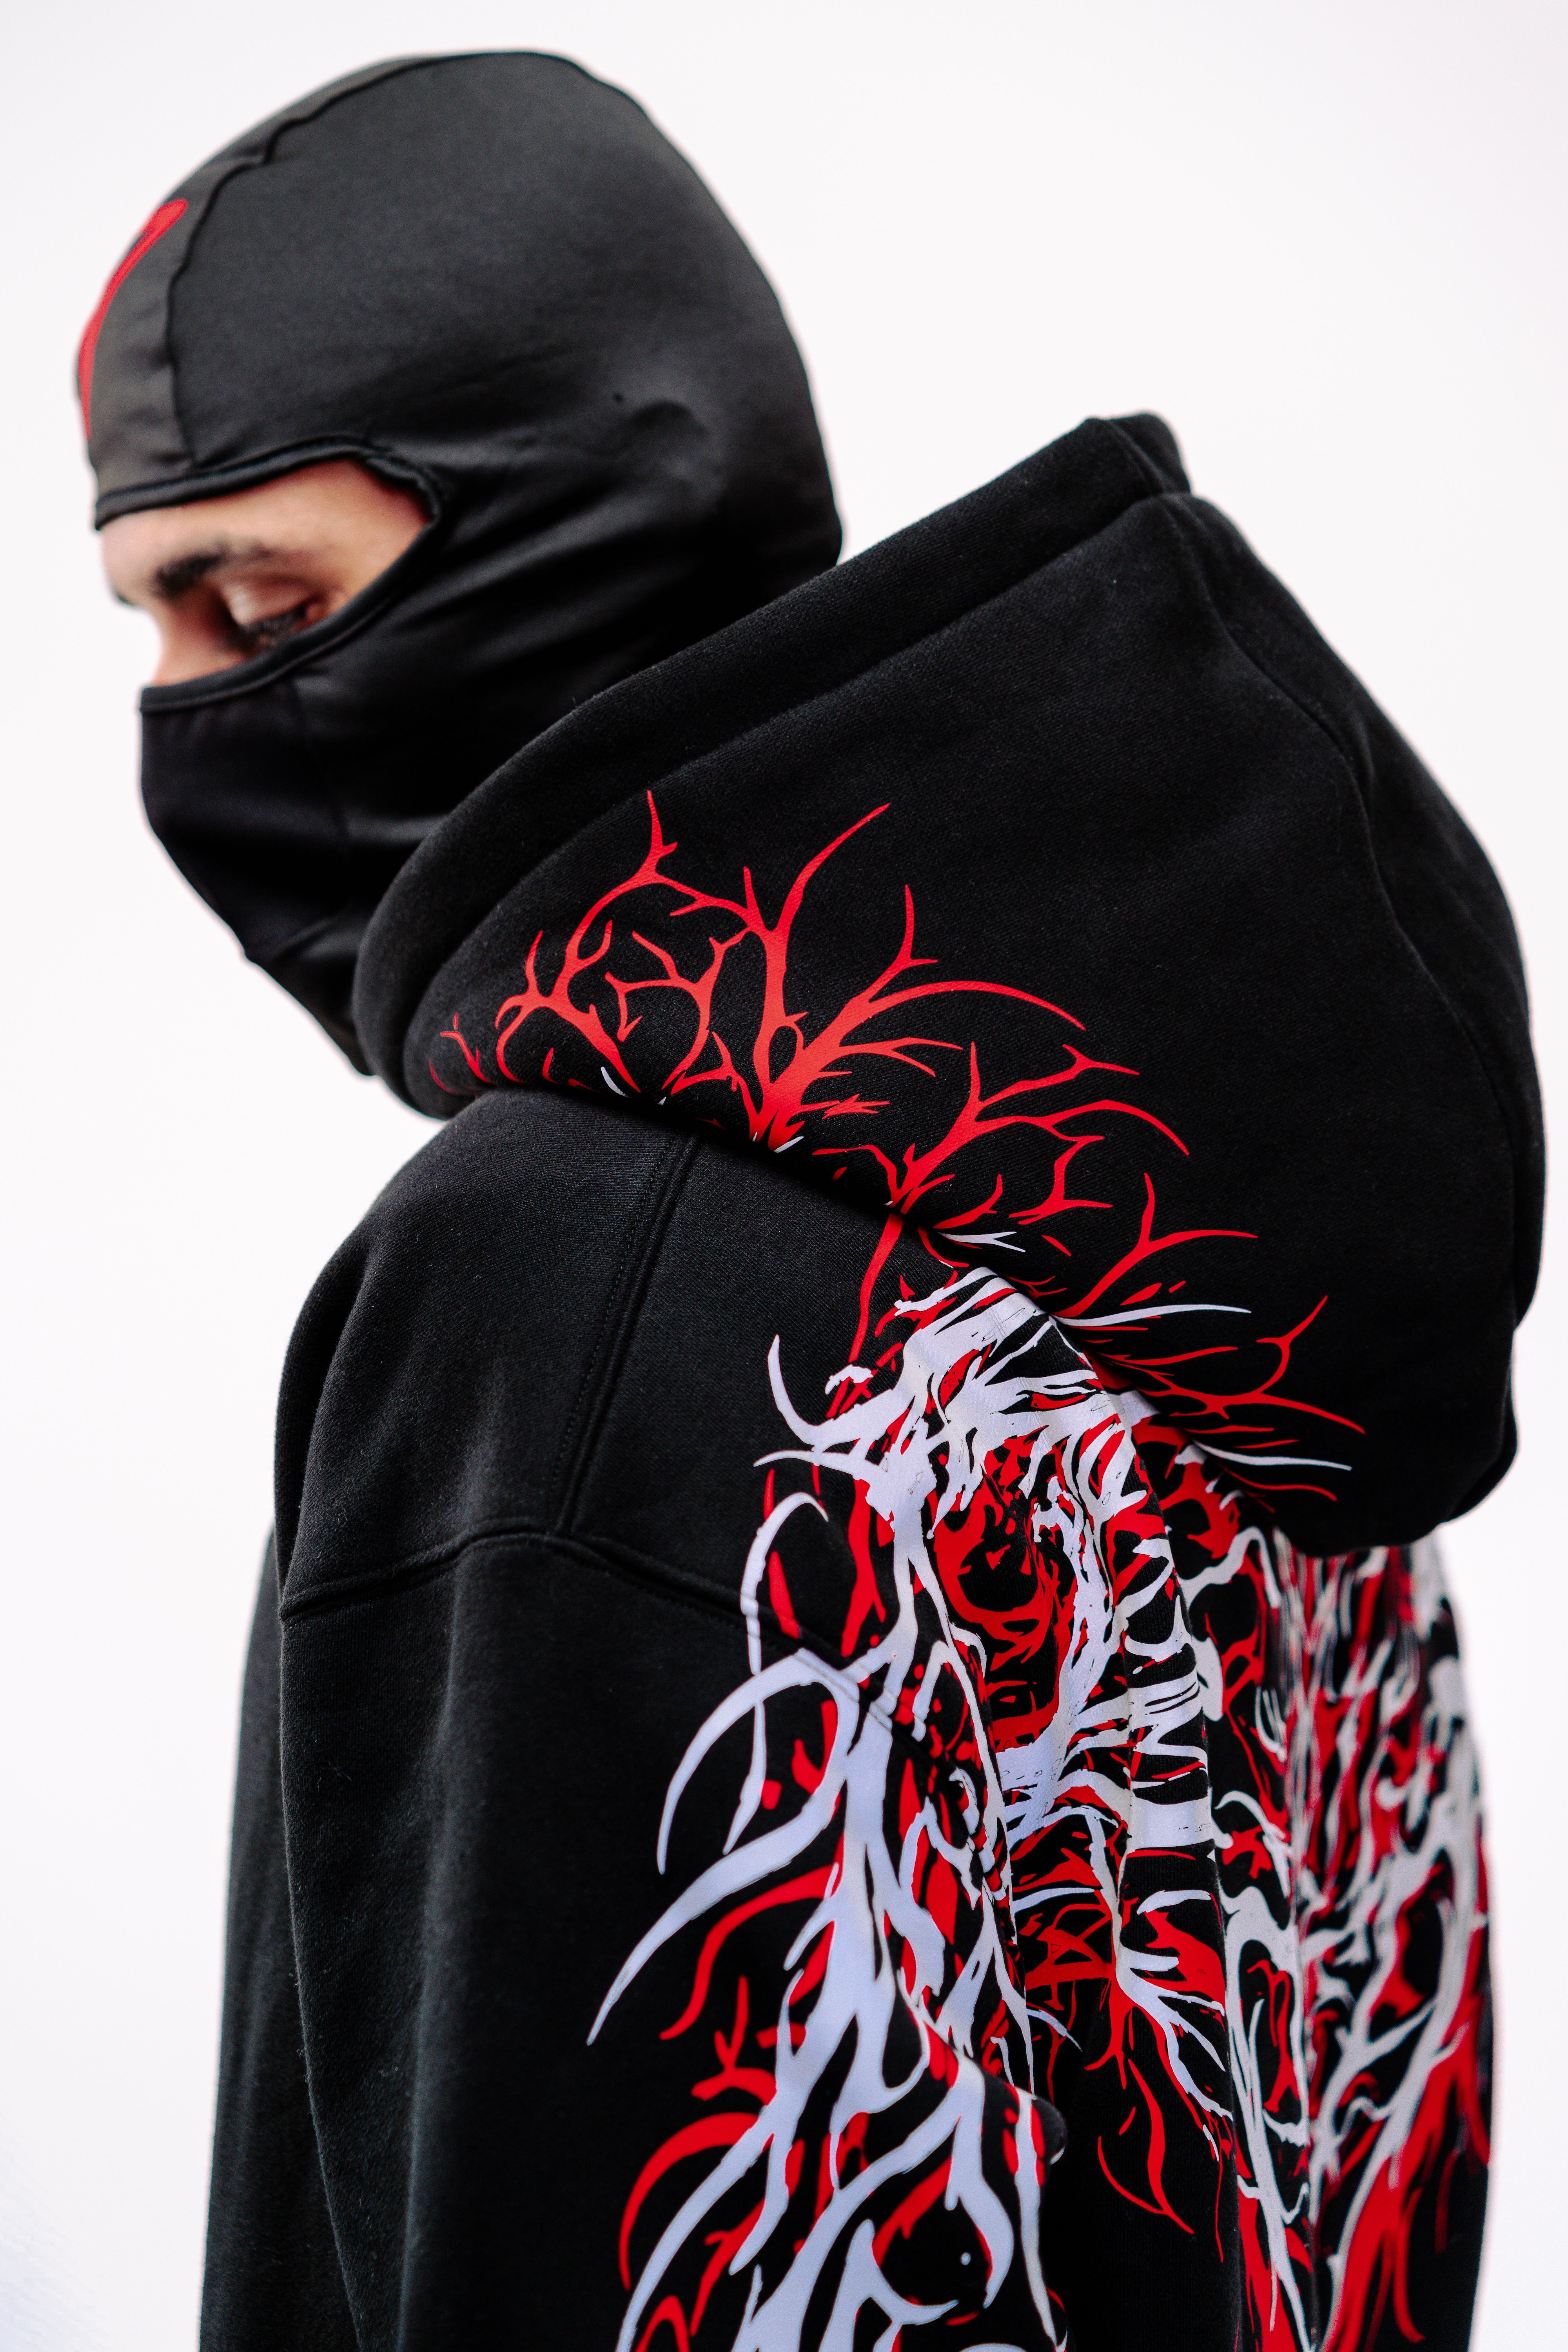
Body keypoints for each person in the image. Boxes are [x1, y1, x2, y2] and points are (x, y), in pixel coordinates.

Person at [82, 51, 1539, 2352]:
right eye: (145, 629)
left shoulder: (555, 1276)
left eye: (259, 606)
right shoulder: (1236, 1283)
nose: (180, 727)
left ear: (608, 515)